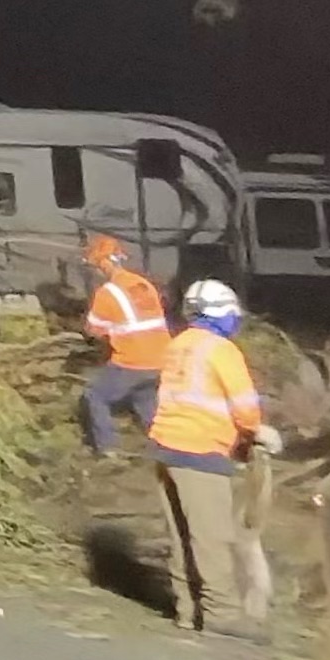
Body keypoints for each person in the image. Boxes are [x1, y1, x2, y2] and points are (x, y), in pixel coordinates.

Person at [149, 277, 267, 638]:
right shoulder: (221, 350)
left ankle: (188, 612)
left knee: (181, 536)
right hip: (201, 452)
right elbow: (245, 408)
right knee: (212, 539)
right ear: (222, 314)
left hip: (165, 449)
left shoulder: (179, 344)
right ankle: (222, 615)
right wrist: (254, 435)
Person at [78, 230, 171, 454]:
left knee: (95, 396)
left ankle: (108, 448)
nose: (97, 271)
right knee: (144, 399)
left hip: (132, 360)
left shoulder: (108, 292)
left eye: (97, 265)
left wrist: (95, 335)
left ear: (103, 264)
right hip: (161, 358)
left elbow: (93, 331)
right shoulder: (143, 284)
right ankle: (165, 446)